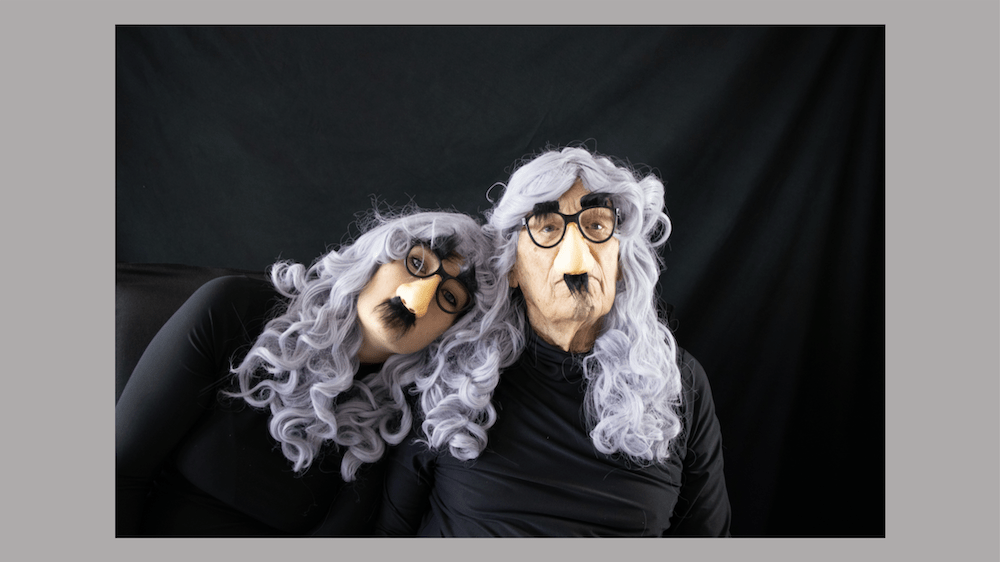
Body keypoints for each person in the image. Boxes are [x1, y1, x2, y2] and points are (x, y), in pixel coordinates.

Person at [376, 147, 732, 536]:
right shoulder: (452, 373)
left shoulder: (676, 383)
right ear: (511, 267)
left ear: (621, 260)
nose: (576, 260)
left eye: (596, 226)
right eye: (547, 228)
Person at [116, 208, 496, 536]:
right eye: (416, 263)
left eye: (449, 298)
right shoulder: (234, 310)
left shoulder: (409, 420)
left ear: (453, 332)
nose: (417, 299)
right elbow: (120, 472)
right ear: (378, 255)